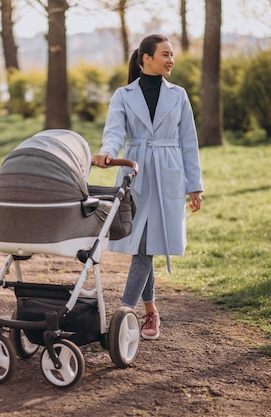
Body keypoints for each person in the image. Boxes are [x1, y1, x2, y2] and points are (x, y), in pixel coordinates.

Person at [91, 34, 204, 340]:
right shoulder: (123, 95)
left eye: (172, 55)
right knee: (143, 244)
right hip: (136, 171)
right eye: (165, 54)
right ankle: (149, 312)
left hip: (168, 172)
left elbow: (189, 143)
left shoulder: (178, 95)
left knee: (146, 247)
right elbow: (114, 132)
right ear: (146, 59)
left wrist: (194, 185)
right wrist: (107, 153)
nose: (171, 60)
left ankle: (126, 313)